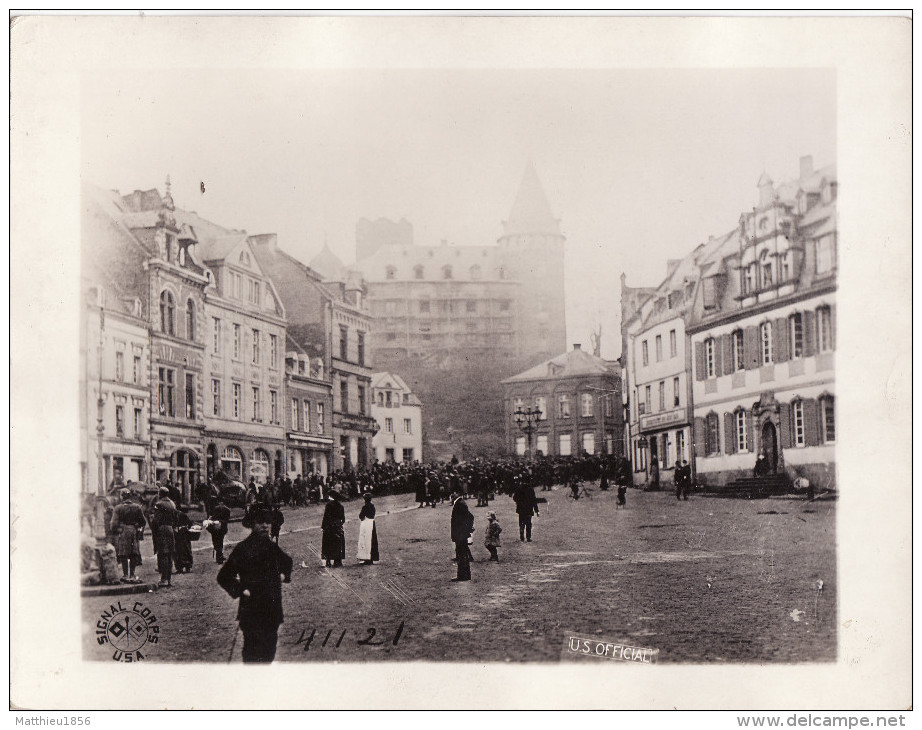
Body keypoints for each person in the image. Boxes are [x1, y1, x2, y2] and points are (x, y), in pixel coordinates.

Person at [217, 506, 293, 663]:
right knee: (252, 652)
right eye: (260, 522)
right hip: (251, 609)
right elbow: (224, 576)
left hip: (271, 608)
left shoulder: (271, 547)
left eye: (267, 522)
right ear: (252, 525)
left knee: (269, 651)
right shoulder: (243, 548)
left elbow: (287, 561)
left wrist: (284, 575)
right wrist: (240, 590)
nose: (265, 526)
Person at [110, 488, 146, 583]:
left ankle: (125, 574)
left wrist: (116, 531)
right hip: (134, 531)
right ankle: (132, 574)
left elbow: (113, 524)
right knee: (134, 553)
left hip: (123, 531)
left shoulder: (118, 508)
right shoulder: (137, 507)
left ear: (122, 496)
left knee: (123, 553)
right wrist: (138, 529)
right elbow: (143, 521)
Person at [149, 487, 179, 587]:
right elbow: (176, 518)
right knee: (170, 554)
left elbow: (155, 521)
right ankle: (169, 579)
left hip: (162, 529)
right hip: (170, 529)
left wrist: (153, 528)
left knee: (163, 554)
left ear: (160, 494)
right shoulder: (172, 504)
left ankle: (163, 579)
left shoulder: (159, 504)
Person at [450, 496, 475, 582]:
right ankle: (464, 575)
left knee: (461, 555)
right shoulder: (460, 503)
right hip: (460, 534)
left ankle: (463, 575)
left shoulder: (460, 504)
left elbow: (470, 517)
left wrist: (465, 530)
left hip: (460, 535)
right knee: (461, 554)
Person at [321, 491, 346, 567]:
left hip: (329, 526)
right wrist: (339, 524)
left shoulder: (329, 505)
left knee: (328, 543)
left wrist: (323, 526)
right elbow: (343, 519)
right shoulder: (341, 506)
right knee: (338, 543)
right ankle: (338, 561)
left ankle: (328, 560)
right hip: (337, 526)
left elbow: (326, 517)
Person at [357, 493, 380, 565]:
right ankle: (372, 557)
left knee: (365, 540)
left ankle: (367, 558)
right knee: (372, 540)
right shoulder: (372, 506)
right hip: (372, 523)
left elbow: (361, 516)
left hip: (366, 524)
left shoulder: (365, 507)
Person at [207, 498, 231, 564]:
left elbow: (209, 518)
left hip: (214, 528)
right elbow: (227, 520)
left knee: (215, 541)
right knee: (220, 541)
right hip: (222, 528)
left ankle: (219, 556)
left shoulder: (214, 508)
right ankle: (219, 555)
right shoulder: (227, 509)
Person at [173, 509, 194, 574]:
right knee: (186, 551)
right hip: (184, 536)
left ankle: (180, 568)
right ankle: (187, 567)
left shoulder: (174, 515)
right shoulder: (182, 514)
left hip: (179, 536)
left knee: (178, 552)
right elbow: (190, 524)